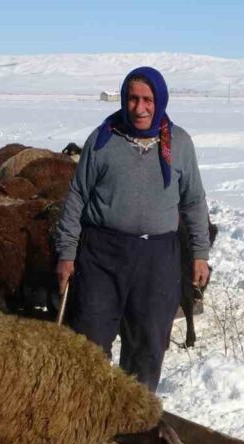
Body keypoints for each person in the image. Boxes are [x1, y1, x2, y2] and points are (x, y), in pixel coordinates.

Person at [55, 66, 211, 393]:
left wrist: (199, 253)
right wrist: (67, 254)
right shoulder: (102, 140)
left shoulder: (180, 143)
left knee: (148, 344)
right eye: (132, 98)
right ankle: (89, 410)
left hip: (158, 257)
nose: (140, 108)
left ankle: (133, 413)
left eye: (147, 100)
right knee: (90, 339)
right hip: (102, 254)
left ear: (160, 101)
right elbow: (77, 196)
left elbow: (194, 200)